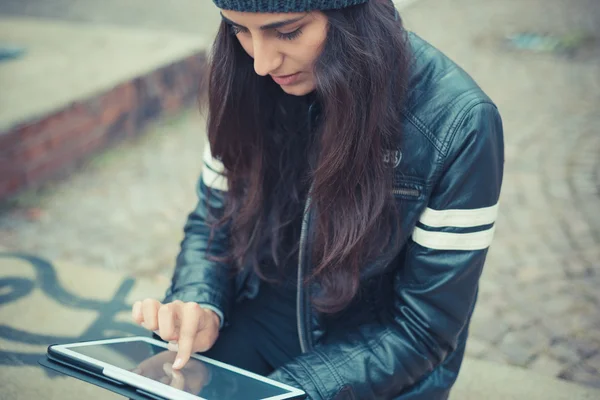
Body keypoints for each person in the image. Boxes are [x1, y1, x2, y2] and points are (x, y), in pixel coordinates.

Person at [131, 0, 504, 398]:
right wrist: (199, 303)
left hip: (373, 365)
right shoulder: (243, 78)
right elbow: (212, 222)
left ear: (355, 15)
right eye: (239, 29)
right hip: (255, 320)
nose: (262, 62)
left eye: (288, 32)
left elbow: (424, 330)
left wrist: (286, 391)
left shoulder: (457, 121)